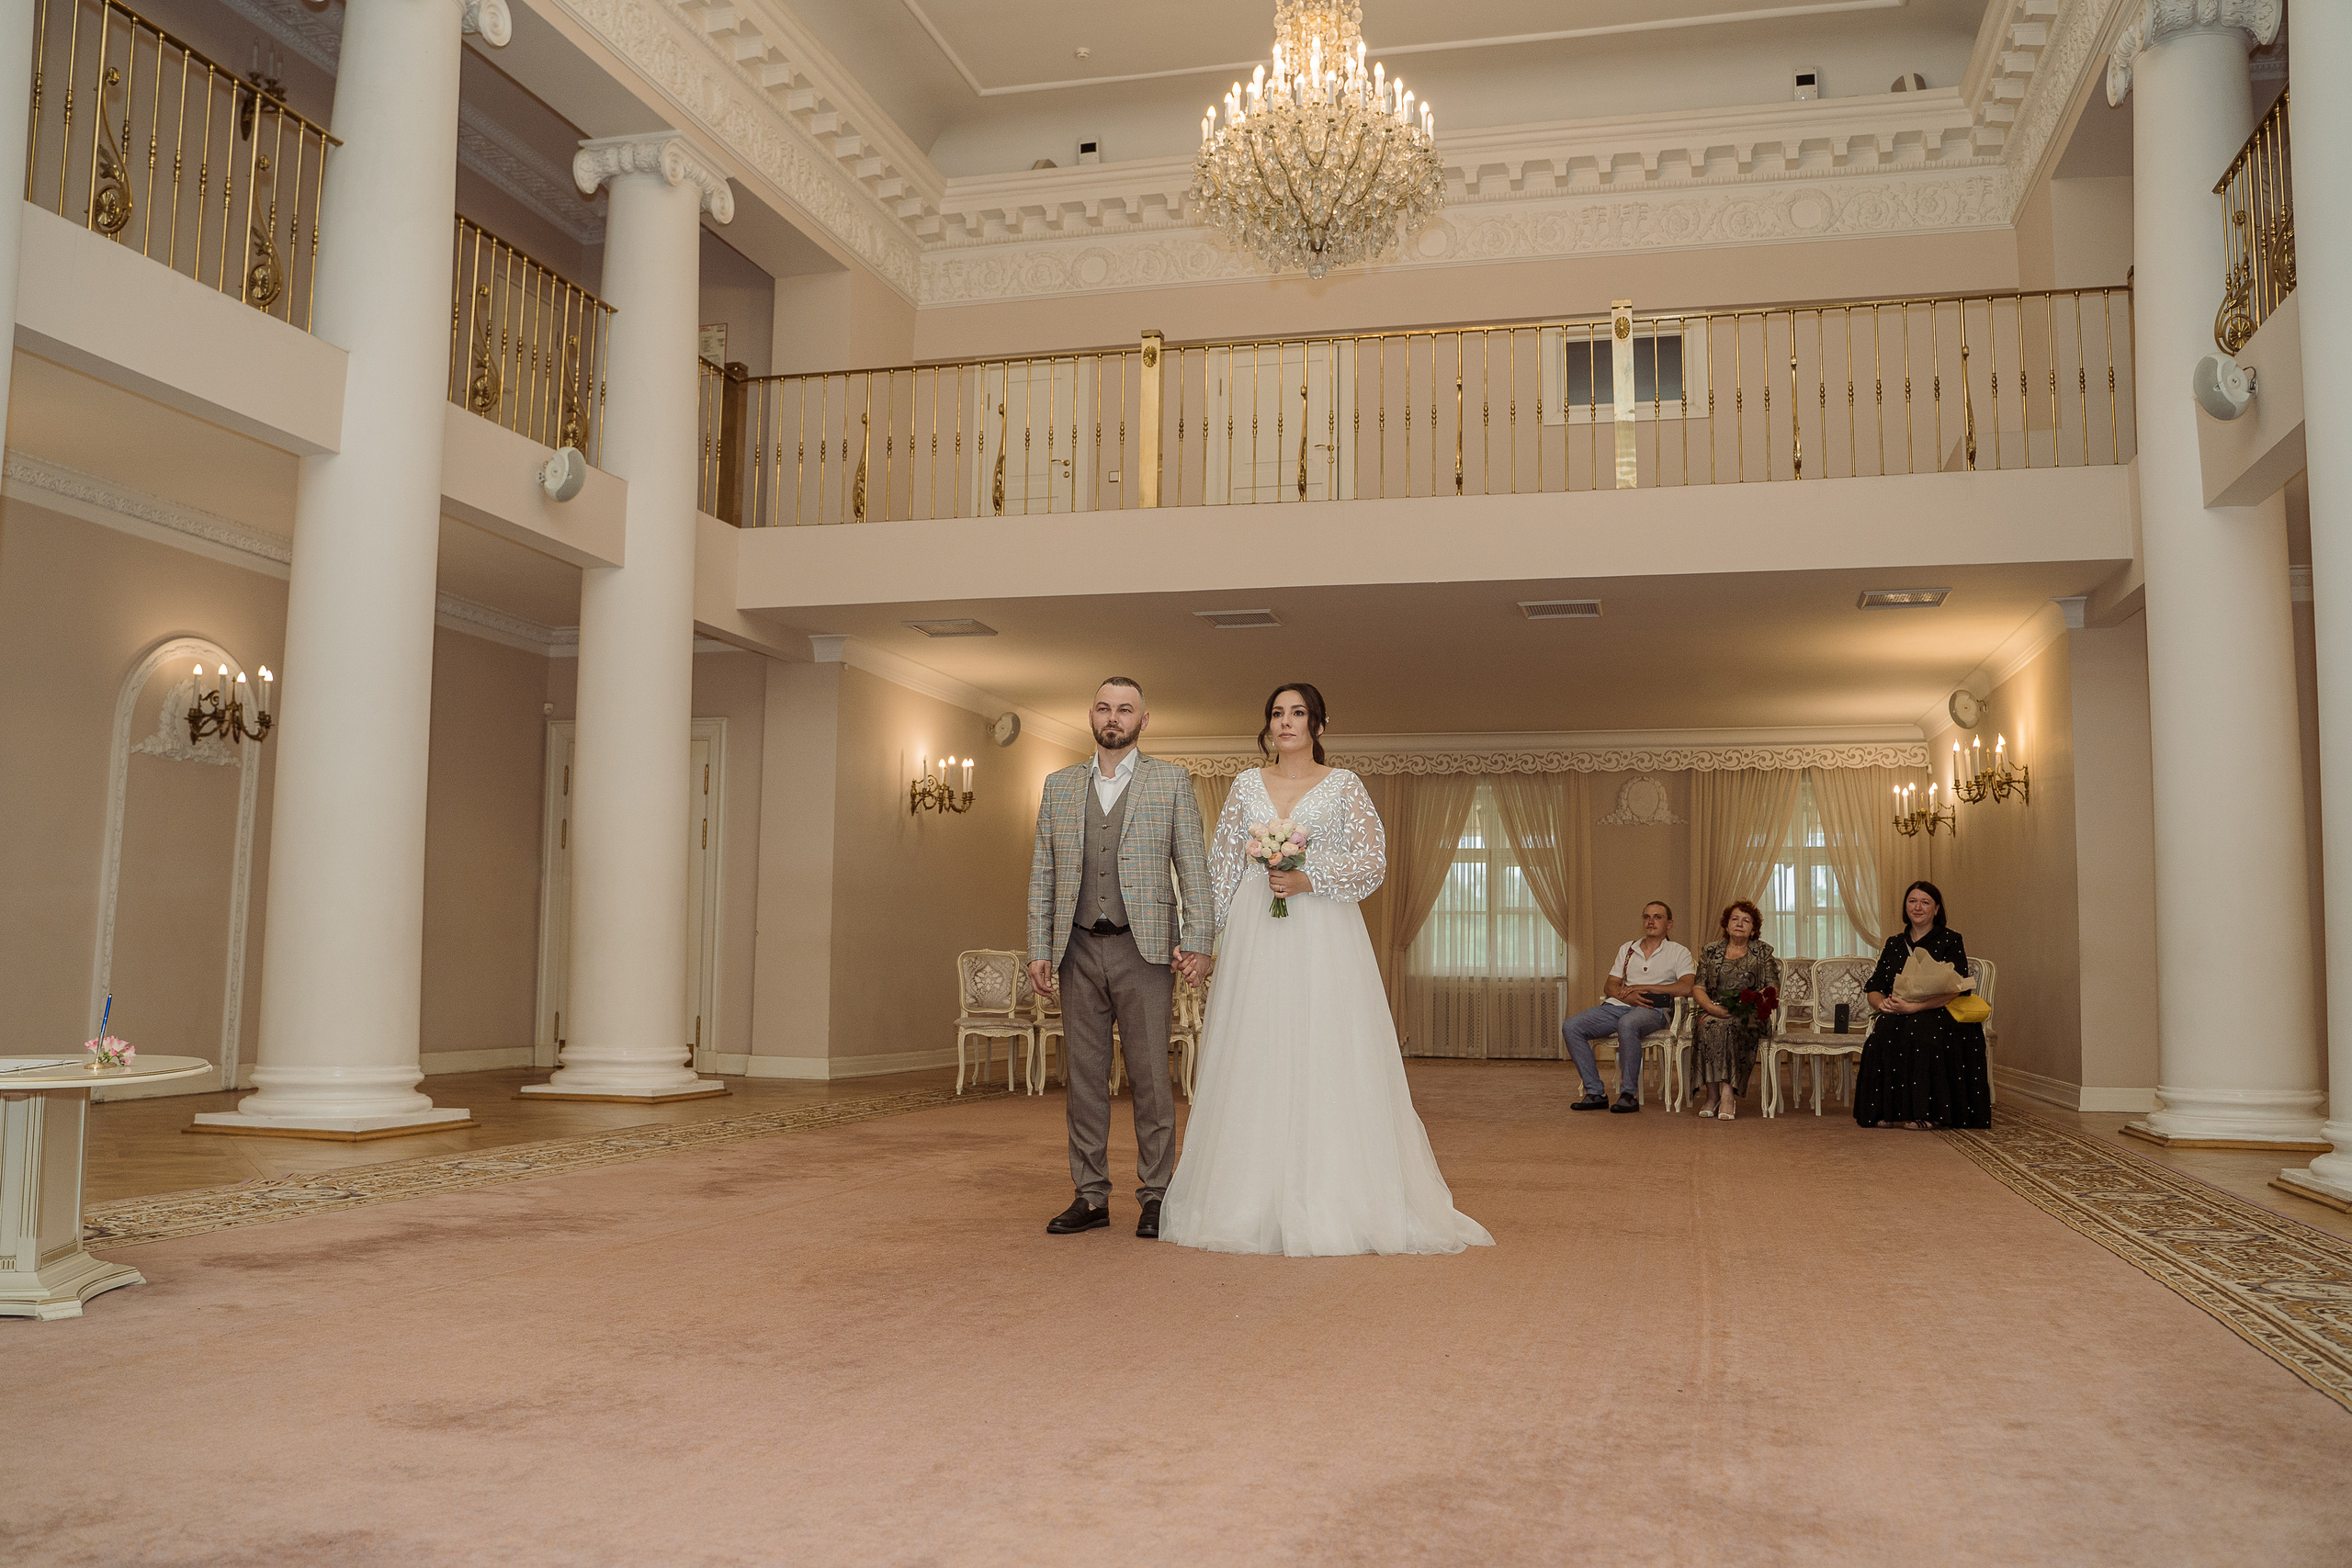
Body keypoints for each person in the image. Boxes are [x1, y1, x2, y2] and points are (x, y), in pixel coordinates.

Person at [1159, 683, 1492, 1258]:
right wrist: (1201, 943)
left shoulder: (1344, 786)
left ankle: (1336, 1195)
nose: (1285, 722)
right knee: (1256, 1049)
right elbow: (1219, 871)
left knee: (1326, 1049)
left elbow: (1371, 862)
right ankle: (1245, 1199)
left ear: (1318, 723)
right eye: (1277, 714)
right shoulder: (1243, 786)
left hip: (1322, 935)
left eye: (1297, 713)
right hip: (1256, 932)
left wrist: (1310, 878)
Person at [1027, 678, 1215, 1240]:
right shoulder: (1059, 786)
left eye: (1125, 709)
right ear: (1091, 715)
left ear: (1144, 719)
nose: (1114, 718)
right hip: (1077, 947)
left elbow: (1194, 870)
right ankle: (1090, 1196)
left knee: (1152, 1078)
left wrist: (1201, 941)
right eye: (1105, 708)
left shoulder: (1171, 782)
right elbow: (1043, 874)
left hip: (1145, 949)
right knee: (1083, 1079)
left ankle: (1157, 1195)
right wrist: (1039, 947)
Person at [1852, 880, 1990, 1131]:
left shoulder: (1950, 940)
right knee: (1883, 1031)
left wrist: (1915, 1007)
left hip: (1939, 1011)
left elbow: (1958, 989)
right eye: (1912, 901)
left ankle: (1928, 1113)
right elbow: (1874, 985)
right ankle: (1887, 1111)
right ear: (1906, 907)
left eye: (1925, 902)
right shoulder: (1894, 943)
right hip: (1898, 1009)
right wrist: (1882, 1004)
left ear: (1936, 909)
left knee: (1921, 1032)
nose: (1918, 907)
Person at [1561, 902, 1696, 1113]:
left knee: (1628, 1023)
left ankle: (1627, 1094)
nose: (1651, 921)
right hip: (1617, 1006)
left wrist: (1644, 988)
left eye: (1657, 917)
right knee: (1571, 1026)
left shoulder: (1679, 952)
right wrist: (1628, 997)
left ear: (1669, 923)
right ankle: (1595, 1092)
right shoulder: (1628, 949)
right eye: (1646, 917)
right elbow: (1610, 985)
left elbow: (1687, 987)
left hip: (1653, 1011)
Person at [1691, 900, 1778, 1121]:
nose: (1740, 923)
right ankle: (1712, 1096)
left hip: (1750, 1012)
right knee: (1707, 1027)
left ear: (1753, 929)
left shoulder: (1763, 951)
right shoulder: (1711, 951)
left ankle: (1727, 1095)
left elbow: (1771, 988)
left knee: (1732, 1026)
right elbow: (1698, 987)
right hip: (1713, 1008)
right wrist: (1711, 1007)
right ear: (1727, 925)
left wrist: (1744, 1006)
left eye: (1746, 920)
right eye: (1735, 919)